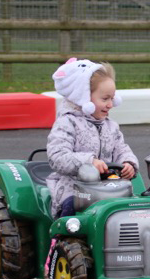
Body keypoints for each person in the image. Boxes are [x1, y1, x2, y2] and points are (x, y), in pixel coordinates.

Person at [46, 58, 139, 219]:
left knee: (136, 206)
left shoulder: (111, 126)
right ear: (83, 98)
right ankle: (61, 240)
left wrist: (128, 163)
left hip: (110, 186)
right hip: (75, 188)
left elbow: (121, 149)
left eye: (112, 98)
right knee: (71, 209)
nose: (111, 104)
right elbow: (57, 156)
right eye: (105, 99)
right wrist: (89, 162)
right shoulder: (67, 123)